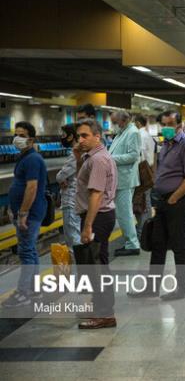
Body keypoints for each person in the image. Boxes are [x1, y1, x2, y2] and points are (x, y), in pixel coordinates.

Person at [128, 111, 185, 300]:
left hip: (179, 202)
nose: (166, 127)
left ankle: (182, 288)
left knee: (178, 245)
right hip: (163, 200)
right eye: (163, 124)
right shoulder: (165, 143)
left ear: (179, 125)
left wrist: (173, 198)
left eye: (170, 124)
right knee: (157, 244)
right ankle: (152, 287)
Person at [73, 119, 117, 329]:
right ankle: (100, 306)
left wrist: (88, 225)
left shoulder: (98, 160)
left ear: (97, 136)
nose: (80, 139)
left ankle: (105, 314)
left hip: (98, 217)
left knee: (98, 266)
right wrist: (77, 158)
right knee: (96, 264)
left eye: (85, 135)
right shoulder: (93, 157)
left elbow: (96, 194)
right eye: (78, 136)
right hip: (100, 216)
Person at [1, 122, 48, 308]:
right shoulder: (25, 156)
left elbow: (32, 187)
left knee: (26, 251)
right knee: (31, 250)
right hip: (28, 212)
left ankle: (23, 293)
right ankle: (34, 290)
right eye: (16, 134)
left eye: (21, 135)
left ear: (31, 139)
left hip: (30, 213)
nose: (17, 138)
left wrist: (22, 213)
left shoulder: (32, 159)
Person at [108, 110, 142, 257]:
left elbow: (134, 155)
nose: (114, 125)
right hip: (120, 179)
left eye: (115, 122)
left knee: (124, 213)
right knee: (122, 213)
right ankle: (130, 242)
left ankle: (132, 244)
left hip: (125, 179)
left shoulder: (133, 132)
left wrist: (110, 159)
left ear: (124, 120)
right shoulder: (122, 132)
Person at [56, 124, 81, 254]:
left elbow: (61, 175)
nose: (62, 137)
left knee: (73, 239)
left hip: (71, 200)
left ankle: (78, 272)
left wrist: (59, 177)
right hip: (78, 199)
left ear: (71, 136)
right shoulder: (81, 152)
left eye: (63, 135)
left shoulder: (75, 154)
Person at [134, 114, 156, 240]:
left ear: (137, 123)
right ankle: (145, 229)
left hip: (142, 172)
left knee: (143, 203)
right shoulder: (147, 135)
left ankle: (144, 230)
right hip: (148, 170)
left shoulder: (140, 135)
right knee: (145, 201)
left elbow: (139, 155)